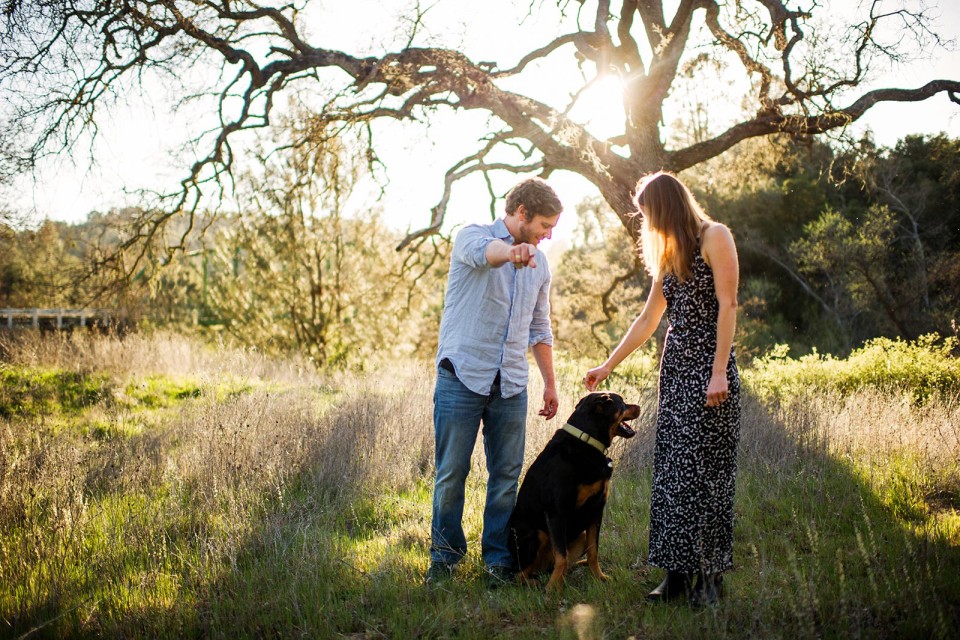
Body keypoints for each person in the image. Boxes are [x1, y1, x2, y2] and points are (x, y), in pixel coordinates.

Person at [584, 171, 741, 607]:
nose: (645, 222)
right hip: (674, 374)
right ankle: (675, 575)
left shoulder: (715, 236)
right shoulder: (669, 250)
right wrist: (608, 364)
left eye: (648, 213)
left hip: (711, 374)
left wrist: (719, 371)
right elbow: (649, 318)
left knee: (708, 475)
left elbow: (728, 304)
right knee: (673, 476)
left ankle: (710, 579)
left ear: (666, 206)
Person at [426, 177, 562, 589]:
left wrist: (550, 384)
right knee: (451, 472)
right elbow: (489, 255)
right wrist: (512, 252)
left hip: (511, 385)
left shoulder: (541, 264)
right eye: (543, 225)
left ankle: (498, 561)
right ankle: (445, 560)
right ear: (521, 213)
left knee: (506, 477)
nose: (548, 234)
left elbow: (540, 328)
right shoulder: (473, 235)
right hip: (463, 376)